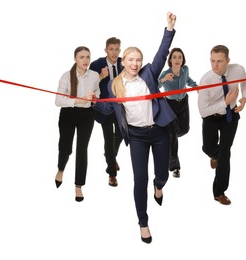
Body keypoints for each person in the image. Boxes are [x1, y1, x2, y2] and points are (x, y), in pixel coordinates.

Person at [89, 12, 177, 244]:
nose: (135, 63)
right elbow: (109, 111)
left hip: (158, 132)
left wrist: (168, 29)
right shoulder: (115, 85)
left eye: (138, 59)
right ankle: (143, 223)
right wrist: (95, 101)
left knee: (161, 175)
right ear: (123, 61)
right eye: (131, 59)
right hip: (137, 136)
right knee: (140, 180)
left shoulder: (148, 73)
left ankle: (159, 187)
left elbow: (161, 54)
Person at [198, 44, 246, 205]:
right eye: (212, 61)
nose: (215, 65)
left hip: (231, 116)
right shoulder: (205, 80)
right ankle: (213, 155)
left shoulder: (238, 70)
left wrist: (244, 97)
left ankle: (219, 191)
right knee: (208, 148)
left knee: (225, 152)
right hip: (211, 117)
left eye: (219, 61)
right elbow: (203, 111)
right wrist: (224, 103)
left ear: (228, 60)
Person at [54, 46, 100, 202]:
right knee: (65, 147)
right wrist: (78, 100)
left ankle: (78, 185)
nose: (85, 60)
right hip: (68, 113)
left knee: (82, 149)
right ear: (75, 59)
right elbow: (58, 101)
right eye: (82, 57)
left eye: (88, 57)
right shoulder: (66, 76)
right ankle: (61, 169)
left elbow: (97, 93)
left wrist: (94, 97)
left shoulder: (94, 75)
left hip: (87, 115)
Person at [158, 47, 197, 178]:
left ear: (183, 60)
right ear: (170, 60)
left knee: (185, 129)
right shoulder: (166, 73)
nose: (177, 59)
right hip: (169, 105)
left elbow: (188, 80)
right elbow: (156, 86)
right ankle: (175, 167)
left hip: (184, 102)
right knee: (173, 136)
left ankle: (169, 135)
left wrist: (196, 86)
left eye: (179, 57)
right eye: (174, 57)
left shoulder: (185, 69)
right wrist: (163, 80)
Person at [89, 37, 123, 187]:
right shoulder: (96, 65)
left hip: (120, 107)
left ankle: (111, 157)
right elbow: (87, 86)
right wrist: (100, 77)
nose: (114, 53)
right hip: (104, 109)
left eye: (117, 49)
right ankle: (112, 173)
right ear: (106, 50)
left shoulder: (124, 63)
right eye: (111, 49)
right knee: (108, 139)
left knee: (121, 134)